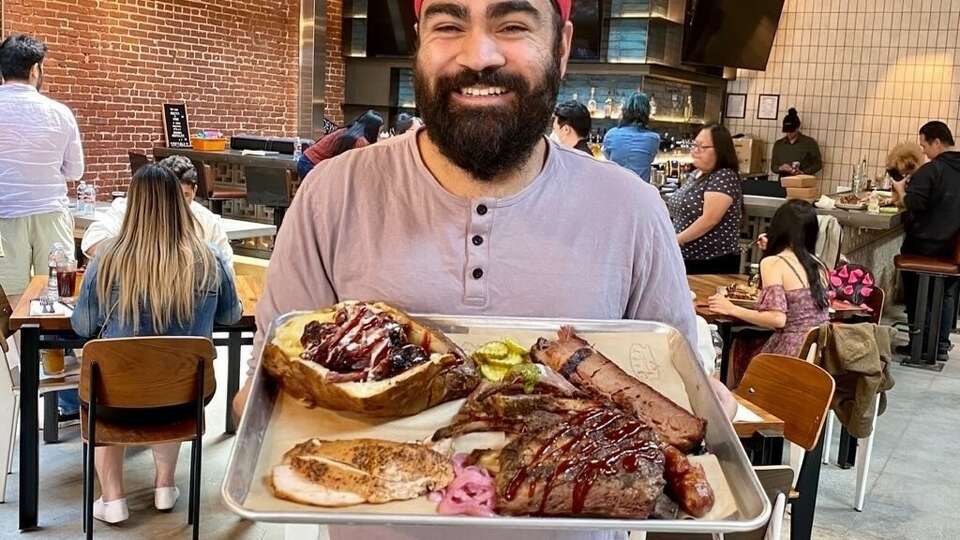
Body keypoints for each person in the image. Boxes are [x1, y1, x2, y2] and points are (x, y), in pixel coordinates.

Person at [236, 1, 700, 539]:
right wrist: (259, 412)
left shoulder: (634, 209)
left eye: (512, 26)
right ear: (420, 41)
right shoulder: (331, 194)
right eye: (449, 25)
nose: (478, 54)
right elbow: (269, 387)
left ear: (562, 46)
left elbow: (678, 395)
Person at [70, 164, 241, 524]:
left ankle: (113, 499)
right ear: (181, 205)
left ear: (132, 207)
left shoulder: (107, 261)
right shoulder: (210, 258)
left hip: (115, 401)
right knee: (170, 379)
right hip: (185, 400)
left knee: (107, 383)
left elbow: (83, 326)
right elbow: (230, 316)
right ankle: (165, 486)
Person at [0, 34, 84, 304]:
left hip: (4, 215)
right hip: (50, 213)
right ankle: (47, 348)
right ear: (35, 69)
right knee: (58, 294)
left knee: (10, 299)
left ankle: (15, 348)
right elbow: (75, 172)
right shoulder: (60, 113)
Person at [708, 200, 830, 386]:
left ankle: (735, 401)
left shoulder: (773, 263)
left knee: (738, 344)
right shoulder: (818, 264)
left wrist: (731, 308)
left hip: (791, 352)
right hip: (821, 355)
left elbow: (777, 319)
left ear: (777, 228)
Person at [81, 155, 233, 263]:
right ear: (157, 192)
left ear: (194, 192)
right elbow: (93, 242)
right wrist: (140, 259)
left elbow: (226, 264)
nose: (177, 204)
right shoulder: (131, 208)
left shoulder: (206, 221)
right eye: (172, 196)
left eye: (185, 196)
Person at [892, 121, 960, 360]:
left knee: (918, 290)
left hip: (925, 247)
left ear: (937, 142)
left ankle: (919, 345)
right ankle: (940, 345)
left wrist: (901, 191)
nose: (922, 151)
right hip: (953, 250)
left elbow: (914, 203)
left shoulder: (932, 170)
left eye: (924, 145)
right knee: (945, 293)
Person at [668, 124, 744, 274]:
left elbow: (709, 219)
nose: (695, 151)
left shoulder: (724, 176)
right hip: (685, 258)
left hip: (711, 262)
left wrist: (677, 239)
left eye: (702, 147)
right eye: (694, 145)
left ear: (720, 150)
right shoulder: (696, 174)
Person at [297, 110, 384, 180]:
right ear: (372, 129)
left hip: (306, 160)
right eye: (378, 132)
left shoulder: (349, 131)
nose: (379, 135)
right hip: (310, 164)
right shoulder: (360, 141)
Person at [601, 92, 660, 181]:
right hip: (641, 192)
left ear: (625, 110)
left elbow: (608, 158)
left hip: (614, 189)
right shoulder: (653, 139)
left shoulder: (611, 134)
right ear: (647, 112)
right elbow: (649, 159)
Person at [770, 107, 822, 177]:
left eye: (791, 131)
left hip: (803, 182)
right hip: (783, 183)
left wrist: (803, 172)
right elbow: (773, 167)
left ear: (797, 128)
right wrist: (781, 168)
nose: (789, 133)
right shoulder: (778, 144)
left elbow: (818, 164)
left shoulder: (809, 143)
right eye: (787, 131)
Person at [884, 142, 924, 207]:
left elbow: (911, 203)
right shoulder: (899, 172)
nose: (906, 177)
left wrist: (900, 190)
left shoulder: (922, 179)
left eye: (907, 173)